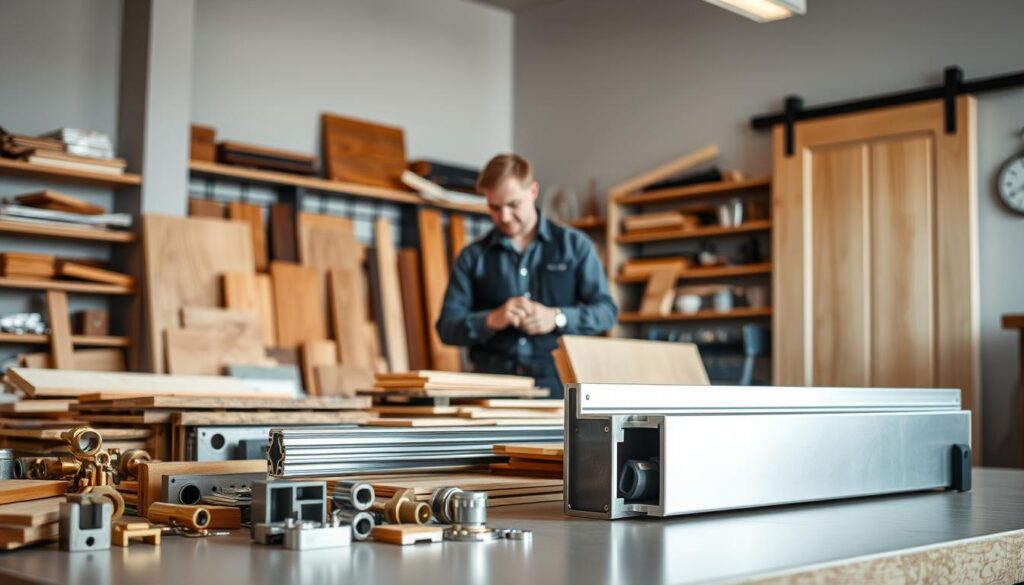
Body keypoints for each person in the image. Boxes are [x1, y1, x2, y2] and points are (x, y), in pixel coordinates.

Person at [435, 154, 617, 398]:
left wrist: (557, 318)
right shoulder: (472, 256)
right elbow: (447, 328)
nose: (504, 217)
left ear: (533, 191)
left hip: (558, 384)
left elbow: (606, 312)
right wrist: (490, 320)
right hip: (491, 388)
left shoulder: (575, 246)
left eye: (513, 204)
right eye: (494, 208)